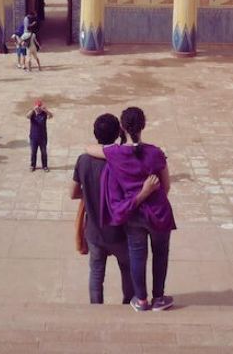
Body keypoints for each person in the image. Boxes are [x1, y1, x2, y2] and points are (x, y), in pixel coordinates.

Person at [88, 106, 176, 312]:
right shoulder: (155, 153)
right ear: (143, 125)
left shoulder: (115, 153)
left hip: (133, 214)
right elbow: (167, 185)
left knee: (137, 255)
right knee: (160, 254)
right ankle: (159, 298)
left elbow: (89, 149)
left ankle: (141, 300)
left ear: (122, 128)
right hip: (159, 213)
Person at [72, 113, 160, 305]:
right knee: (127, 270)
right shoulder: (120, 161)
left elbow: (73, 193)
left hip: (94, 231)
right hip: (120, 231)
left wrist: (91, 194)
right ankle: (128, 304)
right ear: (119, 132)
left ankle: (96, 308)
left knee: (96, 273)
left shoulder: (83, 160)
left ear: (95, 133)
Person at [26, 100, 53, 172]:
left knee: (44, 152)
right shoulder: (32, 114)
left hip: (43, 137)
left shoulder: (44, 113)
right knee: (33, 152)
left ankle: (45, 166)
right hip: (33, 137)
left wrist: (46, 110)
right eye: (37, 107)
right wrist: (33, 110)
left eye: (39, 107)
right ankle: (32, 165)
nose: (38, 109)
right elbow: (27, 116)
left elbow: (51, 116)